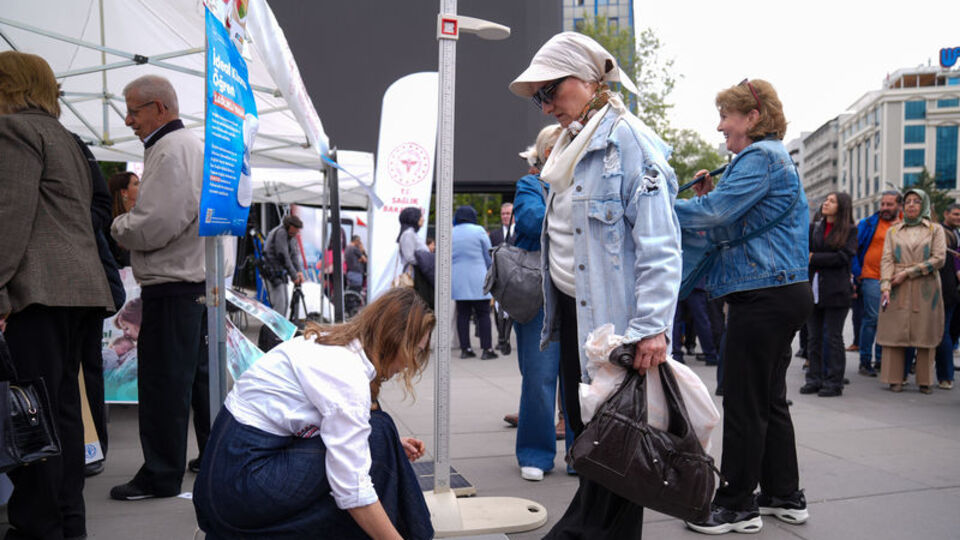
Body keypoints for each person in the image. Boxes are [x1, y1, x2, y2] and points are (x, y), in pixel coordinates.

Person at [510, 32, 681, 538]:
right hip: (575, 315)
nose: (544, 109)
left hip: (614, 326)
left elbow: (659, 244)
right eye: (539, 97)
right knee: (595, 442)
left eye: (549, 92)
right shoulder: (572, 144)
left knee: (615, 448)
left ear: (585, 80)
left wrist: (651, 328)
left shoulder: (629, 143)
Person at [675, 79, 813, 534]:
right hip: (780, 291)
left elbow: (715, 216)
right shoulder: (772, 159)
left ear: (753, 118)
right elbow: (729, 216)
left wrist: (660, 204)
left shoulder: (759, 157)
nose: (720, 127)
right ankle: (782, 495)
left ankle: (736, 506)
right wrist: (709, 198)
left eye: (726, 117)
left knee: (742, 398)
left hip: (764, 295)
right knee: (768, 399)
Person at [193, 287, 435, 539]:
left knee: (378, 438)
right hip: (238, 488)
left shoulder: (334, 343)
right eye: (415, 351)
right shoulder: (347, 373)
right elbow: (352, 490)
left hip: (226, 480)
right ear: (393, 338)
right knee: (375, 441)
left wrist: (391, 448)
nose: (411, 363)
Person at [0, 50, 114, 540]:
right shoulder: (65, 136)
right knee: (63, 413)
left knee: (33, 415)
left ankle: (38, 527)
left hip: (40, 294)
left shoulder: (14, 131)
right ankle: (67, 523)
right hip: (79, 292)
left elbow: (8, 220)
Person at [110, 74, 212, 500]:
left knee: (164, 385)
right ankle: (208, 457)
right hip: (191, 281)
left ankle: (160, 474)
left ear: (160, 108)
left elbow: (156, 224)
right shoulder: (184, 146)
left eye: (135, 110)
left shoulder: (171, 149)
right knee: (194, 382)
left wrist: (119, 226)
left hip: (173, 284)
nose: (129, 119)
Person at [508, 124, 570, 482]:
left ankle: (581, 452)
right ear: (547, 152)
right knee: (539, 376)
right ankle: (536, 452)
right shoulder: (531, 184)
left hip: (577, 291)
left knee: (580, 378)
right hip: (540, 293)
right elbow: (531, 222)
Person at [877, 188, 945, 394]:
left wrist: (908, 273)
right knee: (894, 332)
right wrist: (886, 285)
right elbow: (887, 259)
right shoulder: (894, 230)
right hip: (897, 286)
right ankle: (894, 379)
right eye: (908, 202)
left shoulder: (935, 230)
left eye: (917, 201)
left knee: (925, 332)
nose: (912, 205)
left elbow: (939, 258)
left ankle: (924, 381)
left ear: (924, 205)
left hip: (925, 286)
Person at [800, 192, 857, 398]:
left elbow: (843, 257)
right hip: (813, 289)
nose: (826, 203)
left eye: (832, 201)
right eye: (826, 200)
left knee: (832, 337)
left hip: (837, 291)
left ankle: (834, 382)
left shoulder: (850, 230)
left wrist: (814, 258)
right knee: (813, 338)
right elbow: (802, 253)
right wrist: (815, 258)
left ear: (841, 207)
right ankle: (814, 378)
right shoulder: (814, 228)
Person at [853, 191, 903, 376]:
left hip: (897, 278)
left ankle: (882, 360)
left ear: (899, 206)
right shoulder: (869, 223)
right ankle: (865, 361)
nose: (885, 208)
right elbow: (854, 247)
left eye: (889, 204)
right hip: (872, 276)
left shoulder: (905, 224)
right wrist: (858, 273)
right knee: (873, 318)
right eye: (883, 204)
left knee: (888, 320)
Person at [452, 205, 497, 359]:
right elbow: (488, 253)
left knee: (462, 315)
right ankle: (487, 349)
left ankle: (466, 349)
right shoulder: (479, 230)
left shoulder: (451, 232)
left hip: (458, 280)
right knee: (483, 314)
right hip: (478, 278)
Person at [935, 203, 960, 390]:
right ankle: (946, 375)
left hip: (953, 292)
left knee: (950, 332)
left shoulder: (956, 233)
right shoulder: (942, 233)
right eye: (955, 214)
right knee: (943, 333)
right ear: (946, 214)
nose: (958, 217)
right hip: (944, 289)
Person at [263, 214, 305, 318]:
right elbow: (283, 256)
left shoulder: (291, 236)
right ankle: (274, 331)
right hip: (272, 272)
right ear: (288, 226)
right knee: (280, 304)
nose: (296, 232)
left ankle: (280, 331)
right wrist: (294, 275)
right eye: (294, 229)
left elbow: (294, 254)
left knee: (285, 303)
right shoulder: (281, 233)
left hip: (280, 273)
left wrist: (299, 271)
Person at [489, 202, 515, 355]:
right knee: (499, 309)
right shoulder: (495, 235)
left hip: (517, 277)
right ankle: (502, 338)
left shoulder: (520, 232)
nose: (505, 216)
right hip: (500, 276)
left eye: (508, 213)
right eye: (503, 214)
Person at [106, 171, 140, 267]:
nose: (141, 187)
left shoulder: (136, 216)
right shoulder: (109, 221)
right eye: (136, 184)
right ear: (124, 192)